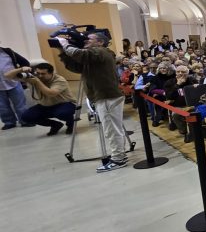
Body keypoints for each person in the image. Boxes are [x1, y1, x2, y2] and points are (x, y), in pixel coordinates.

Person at [55, 32, 128, 173]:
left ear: (100, 42)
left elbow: (81, 55)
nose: (85, 41)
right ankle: (120, 156)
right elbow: (76, 67)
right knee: (112, 129)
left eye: (89, 39)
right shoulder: (94, 57)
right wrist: (62, 52)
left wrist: (66, 45)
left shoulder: (101, 52)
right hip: (104, 96)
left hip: (107, 97)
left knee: (112, 130)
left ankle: (118, 159)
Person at [4, 62, 76, 136]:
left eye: (43, 74)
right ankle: (55, 125)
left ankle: (71, 123)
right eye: (38, 73)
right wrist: (20, 69)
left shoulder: (59, 80)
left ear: (51, 73)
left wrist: (37, 81)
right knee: (26, 117)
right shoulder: (34, 78)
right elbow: (7, 76)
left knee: (62, 113)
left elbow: (51, 93)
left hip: (64, 104)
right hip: (45, 106)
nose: (40, 76)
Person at [0, 47, 32, 130]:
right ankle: (9, 122)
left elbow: (24, 62)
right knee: (2, 106)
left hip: (14, 82)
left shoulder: (8, 52)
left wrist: (21, 73)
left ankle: (25, 121)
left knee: (20, 104)